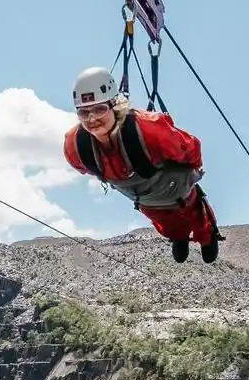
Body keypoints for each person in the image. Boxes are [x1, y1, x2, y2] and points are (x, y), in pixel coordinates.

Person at [61, 66, 223, 263]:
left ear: (114, 105)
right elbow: (81, 166)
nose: (92, 119)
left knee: (193, 211)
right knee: (164, 221)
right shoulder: (76, 146)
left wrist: (193, 173)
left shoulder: (149, 130)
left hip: (176, 188)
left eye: (99, 109)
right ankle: (179, 236)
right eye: (84, 112)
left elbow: (190, 148)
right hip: (147, 200)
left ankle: (208, 236)